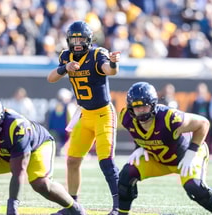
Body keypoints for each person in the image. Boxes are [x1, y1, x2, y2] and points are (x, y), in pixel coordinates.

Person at [0, 97, 86, 215]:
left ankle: (74, 208)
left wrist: (12, 207)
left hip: (36, 147)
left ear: (0, 121)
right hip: (3, 152)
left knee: (41, 184)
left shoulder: (16, 128)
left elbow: (18, 172)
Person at [117, 82, 212, 215]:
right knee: (126, 174)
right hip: (159, 160)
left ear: (153, 105)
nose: (141, 110)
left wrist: (191, 153)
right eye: (137, 106)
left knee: (194, 186)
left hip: (185, 156)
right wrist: (139, 146)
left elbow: (203, 123)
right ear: (130, 108)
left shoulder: (169, 117)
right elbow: (137, 132)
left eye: (144, 106)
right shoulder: (126, 118)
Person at [47, 20, 121, 215]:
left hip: (103, 114)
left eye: (81, 38)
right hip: (84, 115)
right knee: (72, 160)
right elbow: (51, 78)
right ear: (69, 40)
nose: (77, 42)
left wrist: (113, 62)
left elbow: (110, 71)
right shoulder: (66, 56)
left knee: (106, 161)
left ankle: (119, 206)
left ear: (89, 40)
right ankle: (73, 207)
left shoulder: (97, 54)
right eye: (74, 38)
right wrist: (65, 68)